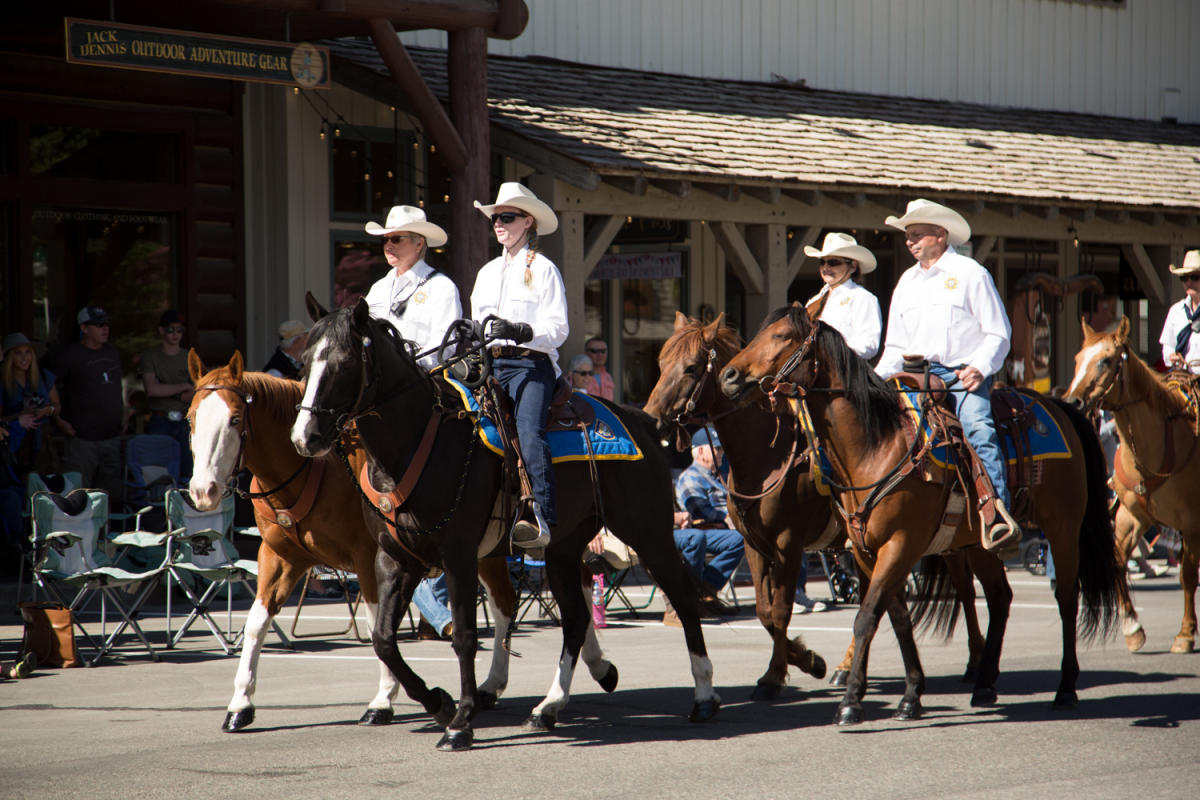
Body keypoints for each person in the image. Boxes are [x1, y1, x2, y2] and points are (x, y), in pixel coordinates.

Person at [874, 199, 1020, 555]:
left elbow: (998, 333)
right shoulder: (906, 281)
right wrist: (873, 381)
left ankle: (996, 516)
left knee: (978, 429)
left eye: (917, 235)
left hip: (961, 373)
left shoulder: (971, 273)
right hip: (912, 374)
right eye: (908, 236)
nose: (910, 242)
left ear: (940, 235)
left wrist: (980, 368)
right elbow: (894, 344)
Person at [470, 182, 569, 549]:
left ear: (528, 221)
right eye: (495, 217)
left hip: (532, 367)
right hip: (490, 365)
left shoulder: (544, 269)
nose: (498, 223)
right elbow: (477, 325)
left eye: (506, 217)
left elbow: (558, 329)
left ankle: (541, 515)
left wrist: (521, 331)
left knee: (529, 433)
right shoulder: (486, 272)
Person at [363, 205, 461, 368]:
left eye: (396, 239)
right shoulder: (379, 288)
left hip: (419, 382)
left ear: (419, 244)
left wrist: (407, 365)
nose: (388, 245)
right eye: (384, 239)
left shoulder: (441, 287)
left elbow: (445, 344)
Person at [665, 427, 745, 626]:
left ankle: (706, 591)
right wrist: (727, 516)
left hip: (721, 529)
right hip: (704, 529)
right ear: (700, 451)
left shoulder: (716, 476)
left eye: (721, 448)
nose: (721, 453)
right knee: (741, 538)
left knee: (749, 538)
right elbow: (697, 509)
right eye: (716, 448)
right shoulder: (690, 476)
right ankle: (702, 591)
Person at [53, 306, 125, 504]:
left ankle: (106, 534)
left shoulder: (112, 352)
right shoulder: (70, 354)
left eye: (107, 324)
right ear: (84, 328)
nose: (105, 329)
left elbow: (119, 386)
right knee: (76, 496)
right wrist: (59, 420)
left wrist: (124, 414)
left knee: (110, 498)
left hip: (111, 437)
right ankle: (76, 534)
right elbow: (50, 387)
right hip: (81, 440)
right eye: (99, 325)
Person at [803, 232, 882, 360]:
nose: (826, 267)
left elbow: (868, 346)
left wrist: (829, 349)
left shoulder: (863, 298)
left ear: (852, 266)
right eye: (822, 262)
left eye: (833, 262)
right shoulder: (814, 301)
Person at [139, 310, 194, 480]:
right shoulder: (150, 356)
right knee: (158, 471)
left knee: (188, 470)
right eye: (171, 330)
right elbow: (152, 390)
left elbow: (195, 393)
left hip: (185, 421)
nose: (176, 334)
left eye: (180, 330)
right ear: (162, 331)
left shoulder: (189, 357)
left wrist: (168, 390)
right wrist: (183, 387)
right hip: (160, 419)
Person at [1, 332, 62, 479]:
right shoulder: (3, 382)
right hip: (15, 442)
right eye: (18, 353)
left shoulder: (44, 376)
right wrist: (20, 415)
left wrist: (47, 410)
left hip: (44, 443)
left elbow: (57, 406)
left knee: (47, 487)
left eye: (28, 352)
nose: (24, 357)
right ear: (10, 357)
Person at [1160, 249, 1200, 374]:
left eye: (1194, 277)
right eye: (1184, 278)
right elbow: (1167, 345)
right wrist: (1171, 356)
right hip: (1181, 378)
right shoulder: (1176, 311)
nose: (1189, 282)